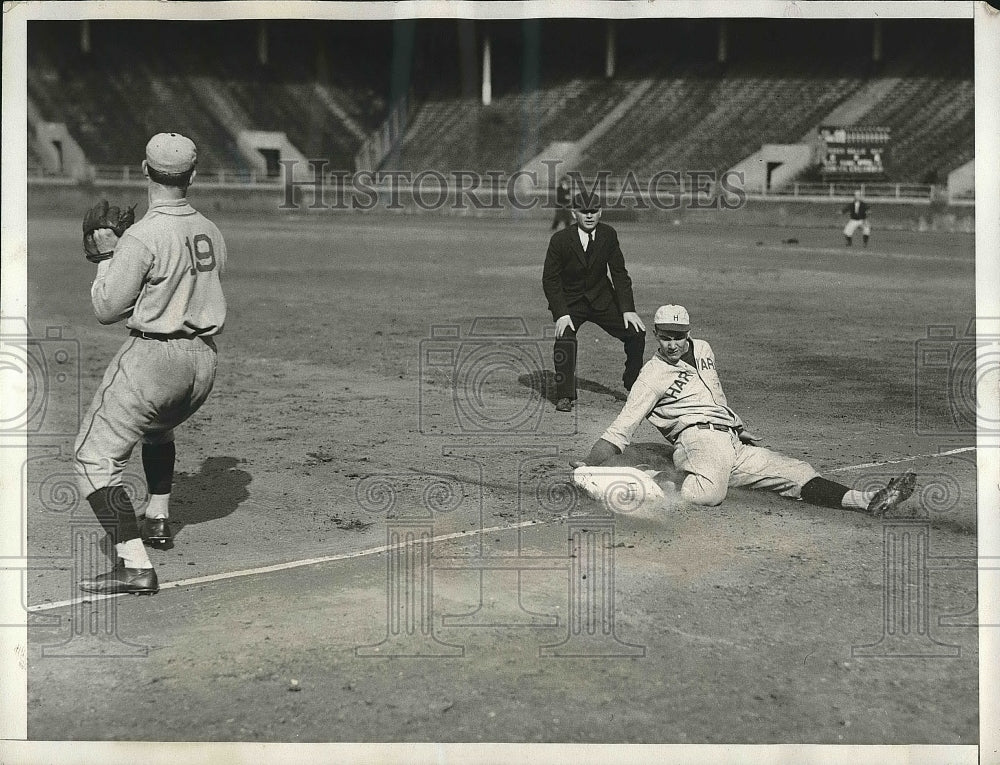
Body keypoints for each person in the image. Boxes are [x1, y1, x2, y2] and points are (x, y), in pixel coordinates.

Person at [570, 304, 916, 515]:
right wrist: (589, 465)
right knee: (710, 493)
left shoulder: (704, 348)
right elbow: (621, 427)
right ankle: (628, 479)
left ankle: (867, 500)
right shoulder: (651, 375)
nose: (672, 343)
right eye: (665, 336)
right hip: (698, 441)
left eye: (679, 335)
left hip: (732, 444)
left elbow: (714, 394)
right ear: (655, 335)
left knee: (796, 472)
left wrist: (736, 423)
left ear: (689, 332)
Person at [75, 133, 228, 595]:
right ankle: (158, 518)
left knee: (91, 460)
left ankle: (135, 564)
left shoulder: (142, 236)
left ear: (145, 170)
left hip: (155, 360)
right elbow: (177, 289)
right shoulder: (211, 230)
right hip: (203, 366)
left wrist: (108, 254)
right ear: (192, 176)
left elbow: (107, 309)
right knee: (157, 426)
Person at [542, 191, 646, 412]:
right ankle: (565, 395)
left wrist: (628, 309)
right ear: (574, 213)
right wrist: (561, 313)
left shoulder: (608, 234)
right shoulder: (560, 240)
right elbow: (550, 280)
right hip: (571, 303)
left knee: (637, 333)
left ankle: (632, 383)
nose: (589, 216)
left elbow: (619, 272)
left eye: (593, 211)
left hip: (602, 299)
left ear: (600, 212)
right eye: (583, 211)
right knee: (565, 338)